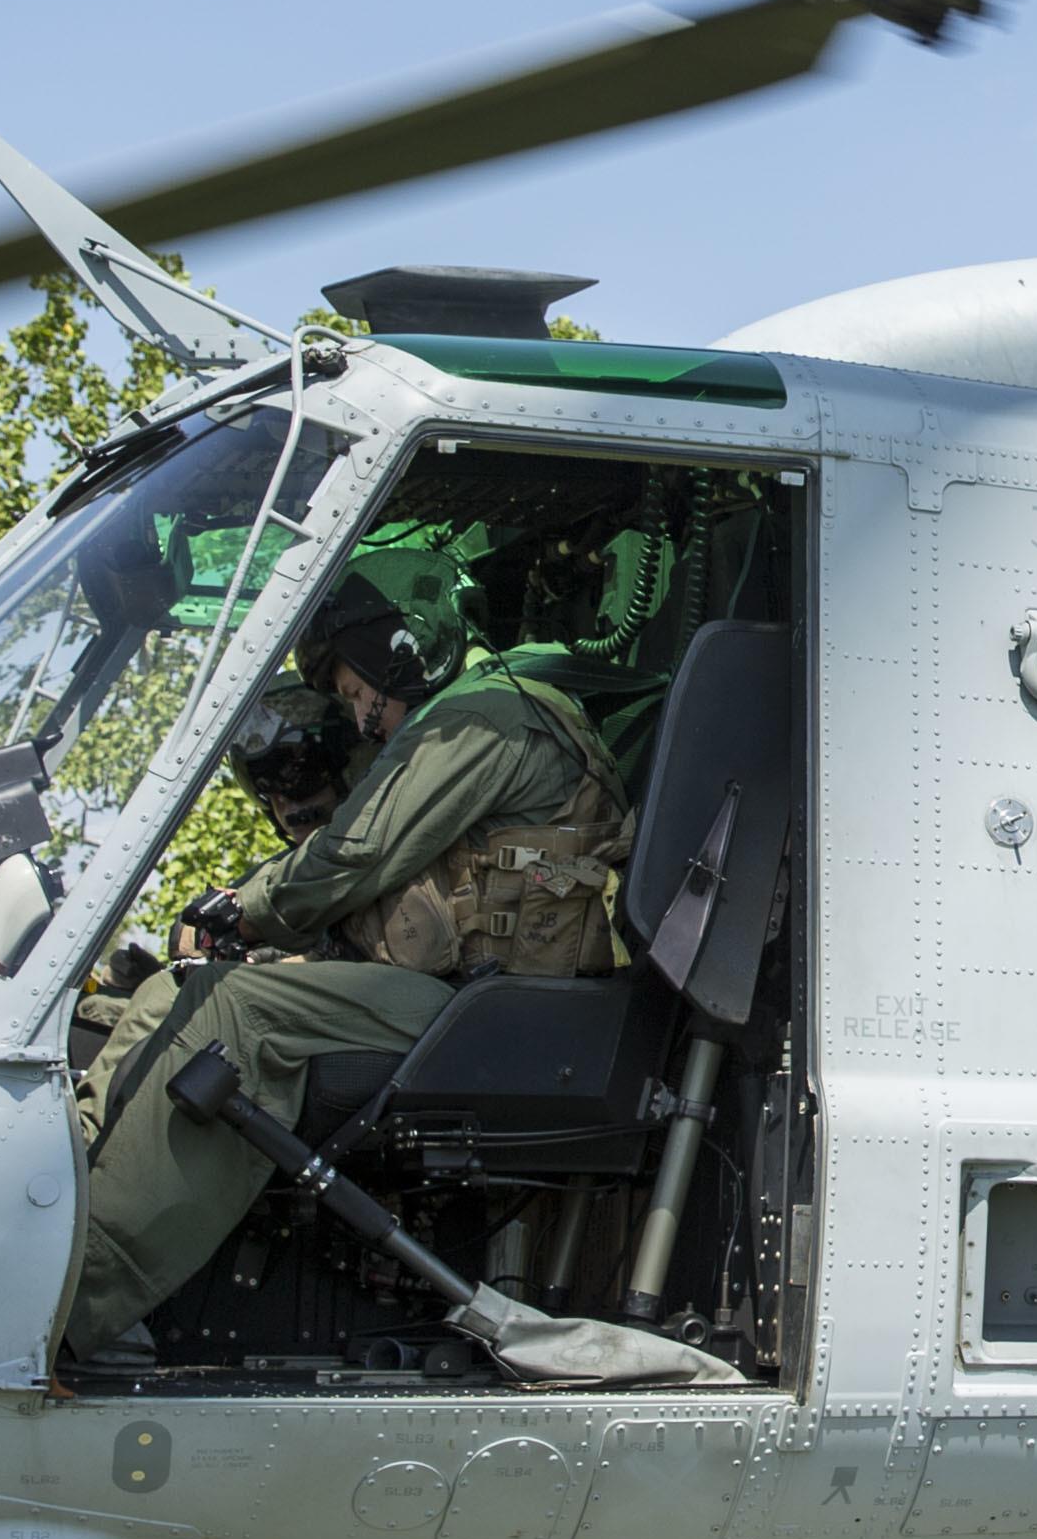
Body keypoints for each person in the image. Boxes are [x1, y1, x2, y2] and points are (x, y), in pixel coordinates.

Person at [66, 583, 627, 1363]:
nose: (362, 719)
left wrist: (242, 910)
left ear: (403, 654)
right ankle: (66, 1199)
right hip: (473, 999)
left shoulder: (483, 717)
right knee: (175, 990)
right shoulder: (469, 715)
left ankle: (75, 1305)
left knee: (239, 1013)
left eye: (360, 693)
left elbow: (356, 853)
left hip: (511, 1011)